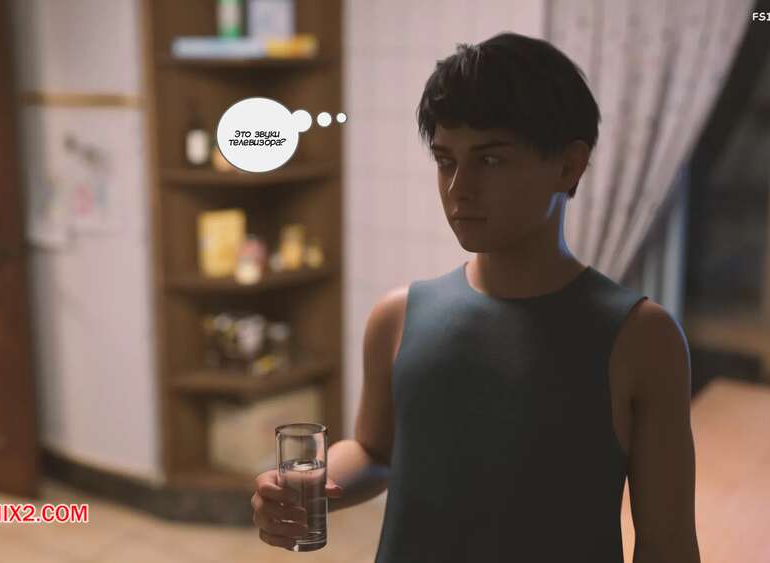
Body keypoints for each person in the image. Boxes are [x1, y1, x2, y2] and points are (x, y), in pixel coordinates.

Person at [251, 32, 700, 562]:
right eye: (446, 160)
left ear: (568, 166)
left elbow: (668, 546)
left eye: (489, 161)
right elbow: (375, 452)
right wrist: (306, 491)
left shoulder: (641, 337)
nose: (458, 187)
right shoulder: (398, 317)